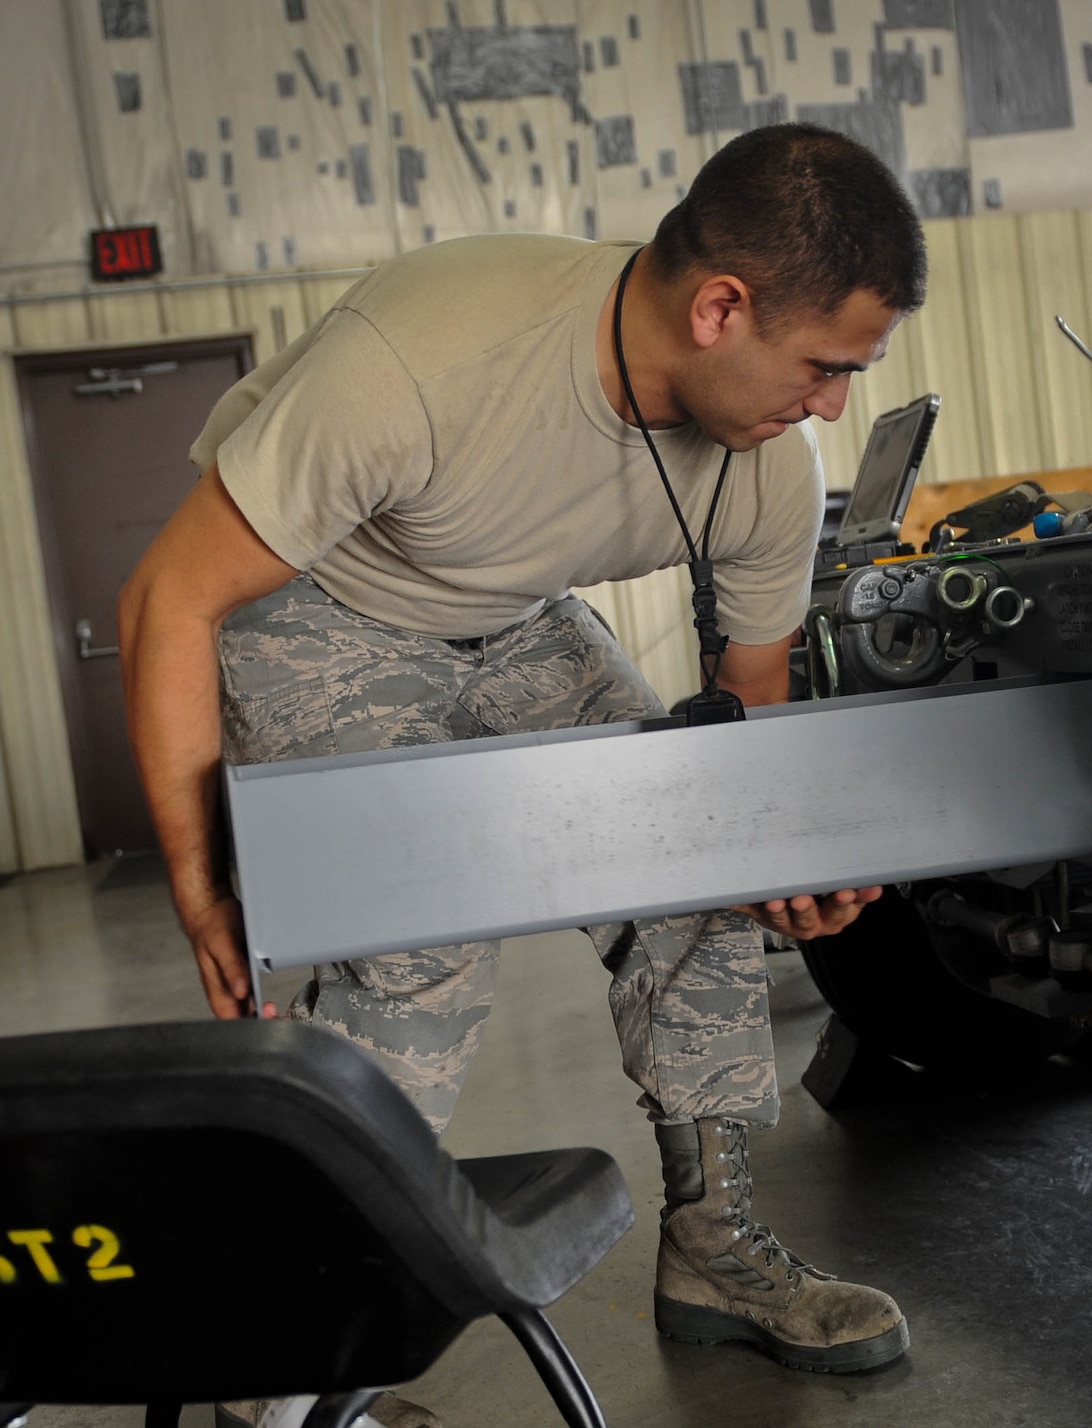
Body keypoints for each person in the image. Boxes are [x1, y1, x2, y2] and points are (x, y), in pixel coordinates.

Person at [117, 123, 928, 1423]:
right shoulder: (431, 352)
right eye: (826, 366)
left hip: (513, 615)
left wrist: (778, 863)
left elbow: (750, 719)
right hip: (316, 599)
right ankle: (288, 1360)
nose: (834, 404)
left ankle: (717, 1252)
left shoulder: (771, 462)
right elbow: (171, 597)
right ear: (722, 307)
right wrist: (201, 883)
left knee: (692, 846)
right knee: (418, 927)